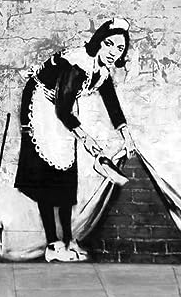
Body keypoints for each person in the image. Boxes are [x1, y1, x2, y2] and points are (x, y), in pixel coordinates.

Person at [14, 18, 137, 262]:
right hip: (42, 104)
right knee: (47, 174)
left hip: (62, 106)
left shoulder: (102, 70)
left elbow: (112, 104)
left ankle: (69, 240)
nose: (113, 52)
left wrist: (127, 138)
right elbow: (62, 110)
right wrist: (87, 139)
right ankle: (53, 244)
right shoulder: (77, 65)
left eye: (120, 48)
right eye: (109, 44)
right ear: (98, 42)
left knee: (66, 173)